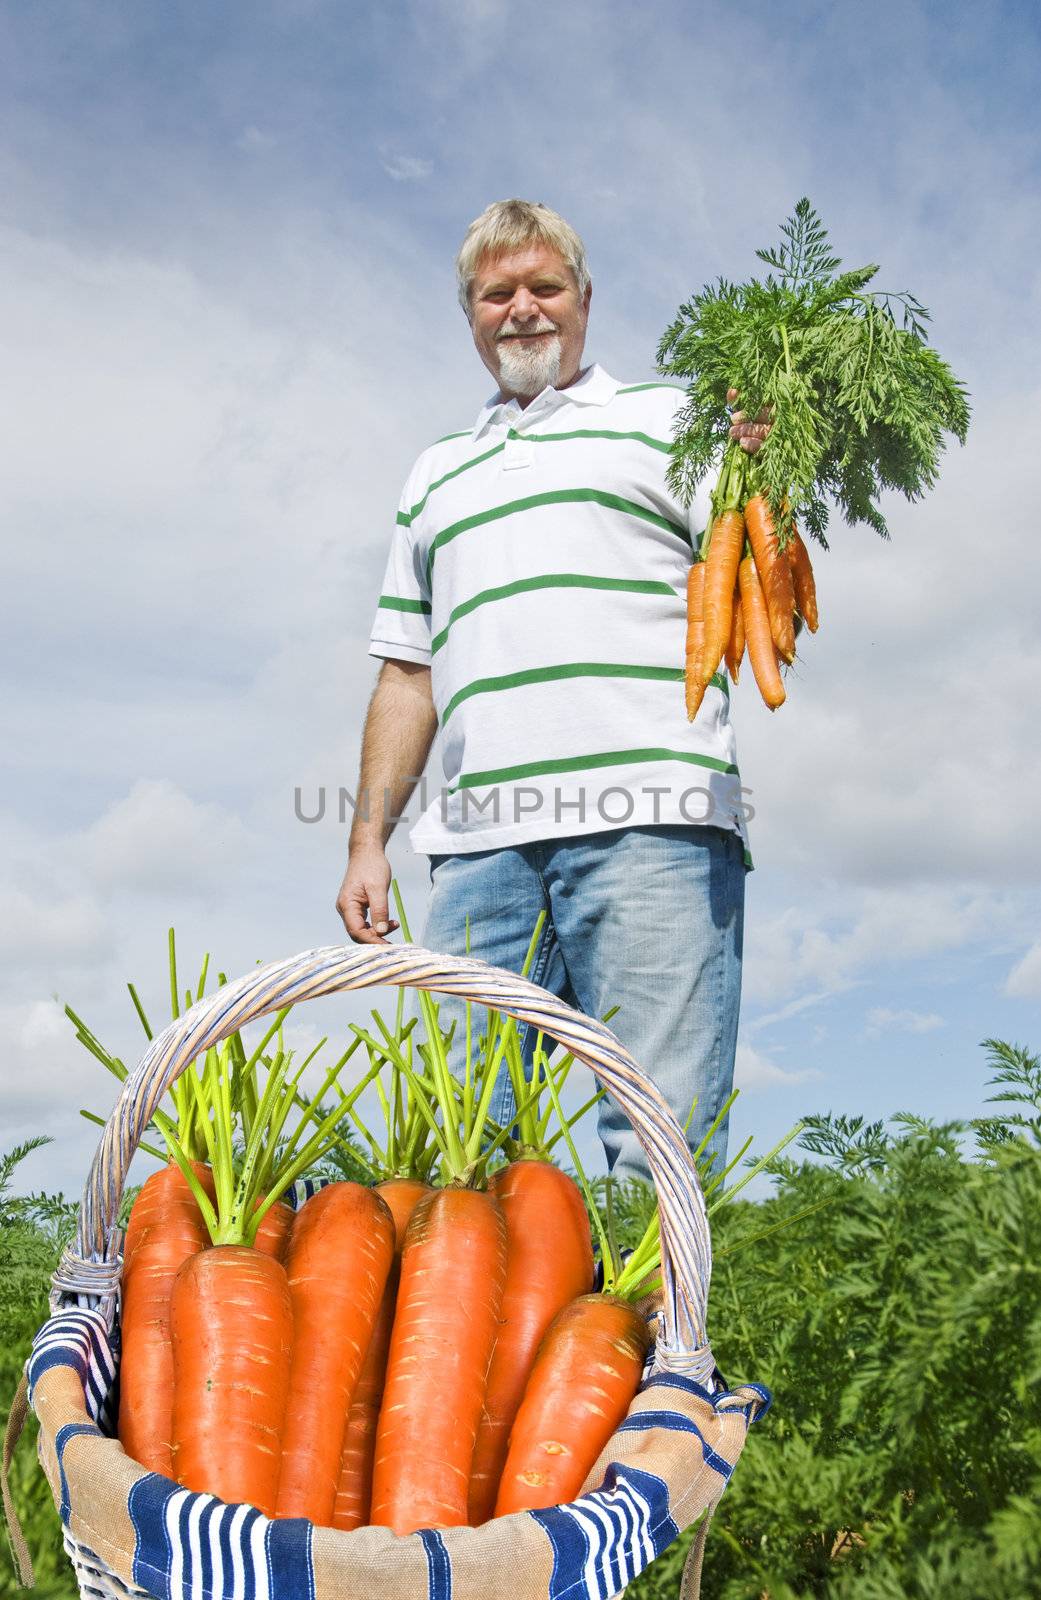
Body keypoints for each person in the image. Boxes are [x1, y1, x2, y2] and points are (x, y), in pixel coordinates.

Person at [336, 199, 769, 1183]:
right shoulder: (435, 473)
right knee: (456, 1158)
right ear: (471, 314)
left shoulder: (675, 418)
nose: (523, 309)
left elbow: (756, 555)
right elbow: (408, 673)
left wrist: (766, 456)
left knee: (659, 1146)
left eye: (545, 287)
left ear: (584, 300)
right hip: (479, 853)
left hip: (655, 819)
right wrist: (367, 840)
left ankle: (670, 1343)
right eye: (498, 293)